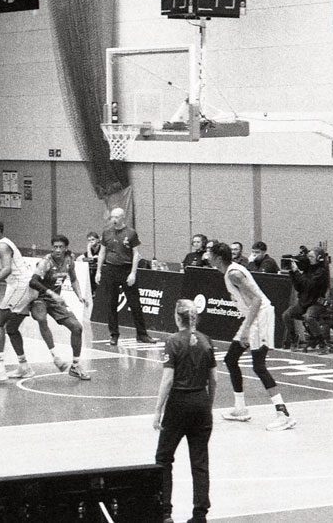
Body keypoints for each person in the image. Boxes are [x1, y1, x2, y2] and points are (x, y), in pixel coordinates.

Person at [206, 241, 296, 431]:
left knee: (259, 366)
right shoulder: (229, 272)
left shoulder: (234, 274)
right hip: (252, 317)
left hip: (260, 316)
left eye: (210, 253)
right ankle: (240, 409)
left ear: (219, 258)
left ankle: (283, 414)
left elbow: (256, 300)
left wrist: (246, 329)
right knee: (231, 360)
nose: (207, 256)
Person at [154, 299, 215, 523]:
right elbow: (214, 379)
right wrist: (208, 405)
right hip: (201, 401)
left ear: (177, 317)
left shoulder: (172, 341)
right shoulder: (206, 341)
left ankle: (165, 513)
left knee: (163, 458)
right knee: (200, 461)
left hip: (179, 404)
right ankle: (200, 515)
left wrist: (158, 410)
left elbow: (168, 379)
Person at [0, 218, 42, 383]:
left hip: (20, 286)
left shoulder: (2, 245)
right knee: (11, 328)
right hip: (25, 286)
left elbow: (7, 269)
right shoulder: (4, 244)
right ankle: (24, 367)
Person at [29, 235, 92, 380]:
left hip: (55, 301)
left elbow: (74, 279)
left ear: (66, 248)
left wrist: (80, 295)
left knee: (77, 328)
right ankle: (55, 356)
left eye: (60, 247)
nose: (57, 250)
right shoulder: (46, 262)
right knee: (41, 317)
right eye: (55, 247)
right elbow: (33, 282)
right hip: (40, 298)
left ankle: (75, 366)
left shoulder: (69, 260)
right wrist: (51, 293)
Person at [96, 208, 156, 347]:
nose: (114, 219)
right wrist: (99, 271)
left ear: (123, 217)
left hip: (126, 269)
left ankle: (142, 334)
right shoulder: (106, 233)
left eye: (117, 217)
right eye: (112, 217)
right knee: (111, 303)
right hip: (111, 269)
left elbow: (136, 254)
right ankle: (114, 335)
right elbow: (102, 252)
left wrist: (133, 273)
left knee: (135, 303)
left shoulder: (131, 233)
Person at [283, 248, 331, 349]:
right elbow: (299, 287)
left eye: (311, 257)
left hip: (316, 302)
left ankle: (322, 342)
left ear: (319, 258)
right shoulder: (307, 269)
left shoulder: (321, 272)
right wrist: (292, 273)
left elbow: (309, 285)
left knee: (309, 317)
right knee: (286, 315)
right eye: (308, 257)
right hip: (304, 301)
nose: (309, 259)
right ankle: (294, 338)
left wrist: (296, 272)